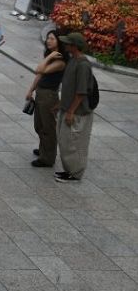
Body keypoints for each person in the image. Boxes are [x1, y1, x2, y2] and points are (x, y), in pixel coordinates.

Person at [54, 32, 95, 182]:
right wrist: (60, 104)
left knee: (74, 144)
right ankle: (69, 170)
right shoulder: (73, 60)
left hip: (77, 112)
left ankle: (75, 173)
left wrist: (71, 111)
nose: (65, 45)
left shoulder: (83, 65)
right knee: (65, 142)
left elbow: (81, 92)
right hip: (67, 109)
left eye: (67, 43)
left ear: (74, 46)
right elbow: (69, 87)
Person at [25, 30, 66, 168]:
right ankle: (44, 149)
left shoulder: (60, 61)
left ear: (59, 41)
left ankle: (47, 158)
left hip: (49, 96)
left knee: (47, 127)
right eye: (48, 38)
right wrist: (31, 89)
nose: (48, 41)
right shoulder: (50, 55)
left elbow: (39, 69)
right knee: (39, 125)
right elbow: (40, 75)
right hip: (41, 94)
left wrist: (49, 57)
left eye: (52, 38)